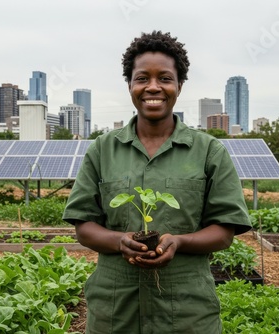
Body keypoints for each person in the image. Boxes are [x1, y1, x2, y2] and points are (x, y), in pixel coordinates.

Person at [62, 30, 251, 334]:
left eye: (164, 78)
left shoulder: (208, 151)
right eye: (142, 78)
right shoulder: (102, 149)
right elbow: (84, 226)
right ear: (130, 85)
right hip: (116, 310)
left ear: (179, 85)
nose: (153, 87)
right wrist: (119, 241)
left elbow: (224, 231)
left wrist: (179, 241)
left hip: (188, 311)